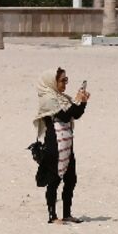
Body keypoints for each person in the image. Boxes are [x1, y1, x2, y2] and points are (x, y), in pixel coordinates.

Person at [34, 68, 90, 223]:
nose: (65, 83)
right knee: (54, 180)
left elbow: (75, 114)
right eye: (62, 80)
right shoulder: (48, 99)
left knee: (71, 179)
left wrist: (83, 102)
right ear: (53, 81)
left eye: (66, 79)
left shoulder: (62, 97)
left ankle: (67, 213)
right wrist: (77, 100)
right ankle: (52, 216)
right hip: (55, 145)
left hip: (67, 143)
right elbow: (64, 116)